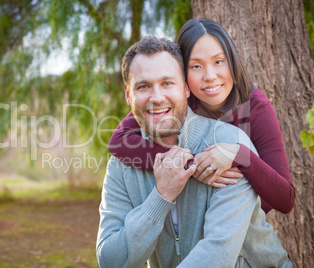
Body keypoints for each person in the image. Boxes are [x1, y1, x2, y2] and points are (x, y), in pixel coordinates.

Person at [96, 36, 292, 268]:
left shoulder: (229, 145)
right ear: (129, 95)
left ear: (186, 89)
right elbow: (110, 261)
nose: (157, 97)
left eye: (167, 83)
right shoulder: (121, 164)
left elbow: (217, 254)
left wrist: (235, 157)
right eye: (143, 86)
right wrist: (162, 195)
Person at [108, 18, 295, 214]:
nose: (210, 76)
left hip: (239, 219)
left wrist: (239, 155)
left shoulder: (256, 107)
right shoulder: (176, 101)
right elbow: (118, 141)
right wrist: (195, 164)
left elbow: (285, 199)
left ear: (232, 61)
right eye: (196, 66)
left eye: (218, 61)